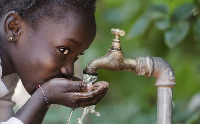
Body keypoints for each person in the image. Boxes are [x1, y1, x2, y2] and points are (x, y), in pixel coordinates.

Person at [0, 0, 109, 124]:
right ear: (15, 28)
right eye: (63, 50)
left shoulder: (6, 75)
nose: (68, 71)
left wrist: (46, 96)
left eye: (76, 57)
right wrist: (45, 95)